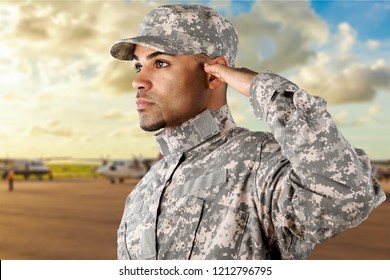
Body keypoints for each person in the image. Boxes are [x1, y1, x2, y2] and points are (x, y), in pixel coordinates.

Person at [109, 4, 386, 260]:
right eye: (138, 65)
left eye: (160, 63)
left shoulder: (260, 162)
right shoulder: (143, 191)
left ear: (213, 74)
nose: (138, 81)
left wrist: (263, 88)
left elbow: (347, 195)